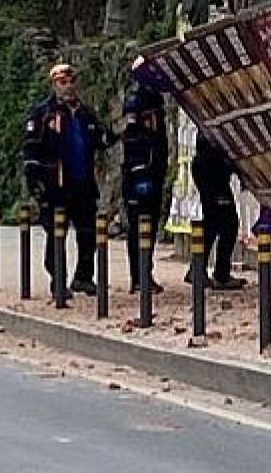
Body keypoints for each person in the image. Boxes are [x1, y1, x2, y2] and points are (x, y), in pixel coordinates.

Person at [23, 63, 116, 299]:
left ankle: (83, 277)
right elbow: (31, 153)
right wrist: (38, 187)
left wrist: (116, 133)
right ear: (54, 85)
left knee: (88, 233)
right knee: (57, 236)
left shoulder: (84, 113)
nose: (69, 87)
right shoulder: (43, 115)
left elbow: (100, 139)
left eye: (71, 82)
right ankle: (58, 283)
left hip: (82, 184)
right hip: (55, 187)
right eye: (63, 82)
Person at [120, 82, 170, 293]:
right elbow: (131, 136)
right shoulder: (136, 102)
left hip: (153, 172)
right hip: (138, 174)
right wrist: (139, 169)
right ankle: (138, 277)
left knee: (148, 225)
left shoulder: (154, 100)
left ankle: (144, 274)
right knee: (139, 226)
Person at [188, 134, 246, 290]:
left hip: (205, 163)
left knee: (211, 223)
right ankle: (221, 274)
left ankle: (197, 268)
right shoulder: (212, 140)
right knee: (229, 223)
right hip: (212, 166)